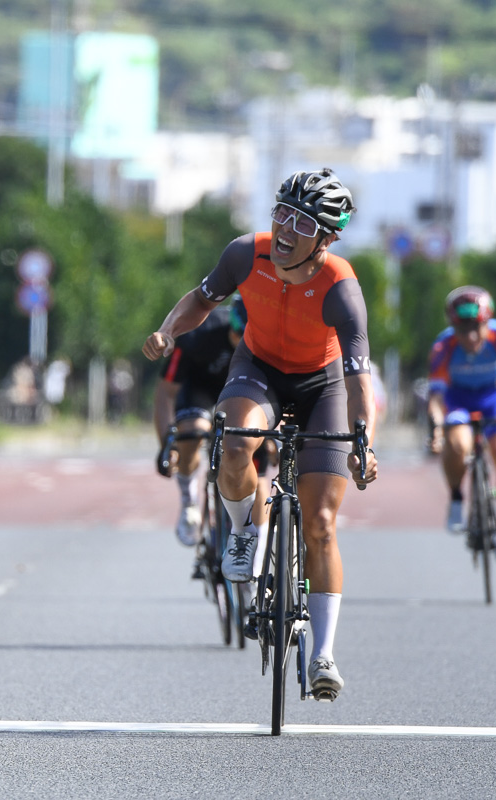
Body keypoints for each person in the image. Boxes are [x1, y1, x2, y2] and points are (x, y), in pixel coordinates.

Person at [142, 167, 378, 701]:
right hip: (259, 369)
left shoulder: (342, 287)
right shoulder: (247, 253)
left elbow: (360, 376)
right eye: (281, 213)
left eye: (303, 222)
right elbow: (200, 299)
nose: (287, 229)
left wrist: (363, 442)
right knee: (234, 443)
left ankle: (323, 654)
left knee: (320, 522)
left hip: (324, 386)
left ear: (326, 238)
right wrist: (167, 330)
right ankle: (245, 531)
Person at [427, 286, 496, 562]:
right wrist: (435, 425)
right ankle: (457, 497)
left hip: (493, 399)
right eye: (462, 329)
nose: (470, 336)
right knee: (458, 445)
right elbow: (436, 395)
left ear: (487, 322)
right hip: (458, 400)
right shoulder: (442, 346)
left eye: (477, 328)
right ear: (452, 326)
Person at [153, 296, 248, 546]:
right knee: (194, 431)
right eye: (238, 339)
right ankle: (189, 501)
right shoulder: (197, 334)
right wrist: (167, 444)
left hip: (239, 391)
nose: (240, 346)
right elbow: (165, 393)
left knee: (242, 440)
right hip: (199, 389)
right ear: (232, 327)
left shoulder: (263, 343)